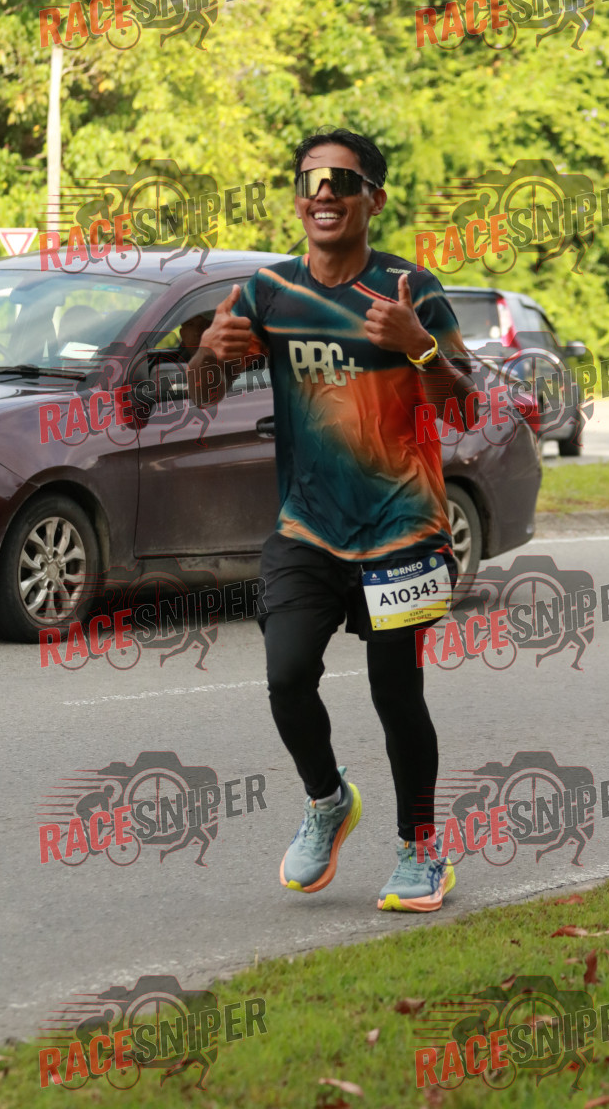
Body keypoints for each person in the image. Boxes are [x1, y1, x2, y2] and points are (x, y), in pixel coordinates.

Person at [189, 128, 478, 911]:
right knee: (286, 677)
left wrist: (420, 349)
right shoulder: (268, 292)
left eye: (341, 182)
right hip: (307, 528)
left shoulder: (411, 289)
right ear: (297, 200)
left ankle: (421, 850)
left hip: (404, 529)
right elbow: (205, 392)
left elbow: (466, 408)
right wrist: (209, 352)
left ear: (372, 200)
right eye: (310, 180)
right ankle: (328, 800)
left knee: (396, 692)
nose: (323, 194)